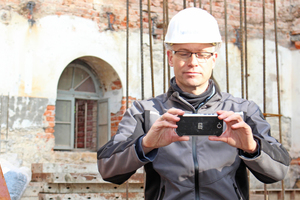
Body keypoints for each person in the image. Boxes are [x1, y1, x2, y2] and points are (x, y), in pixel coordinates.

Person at [97, 7, 291, 200]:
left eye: (202, 54)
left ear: (213, 58)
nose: (193, 62)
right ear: (170, 57)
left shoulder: (243, 111)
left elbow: (279, 171)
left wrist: (252, 148)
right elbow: (108, 169)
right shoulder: (145, 112)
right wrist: (145, 144)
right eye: (183, 53)